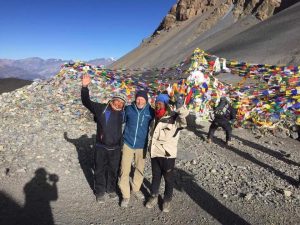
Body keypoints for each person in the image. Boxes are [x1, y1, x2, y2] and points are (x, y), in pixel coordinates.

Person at [81, 74, 126, 203]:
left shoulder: (123, 113)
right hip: (101, 147)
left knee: (113, 170)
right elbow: (86, 102)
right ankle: (100, 192)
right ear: (112, 100)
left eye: (121, 103)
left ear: (123, 105)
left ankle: (111, 189)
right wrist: (84, 86)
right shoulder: (101, 108)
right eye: (117, 101)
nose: (118, 104)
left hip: (116, 148)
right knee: (99, 169)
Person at [145, 93, 189, 213]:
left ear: (165, 104)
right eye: (157, 102)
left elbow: (184, 120)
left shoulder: (174, 118)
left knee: (168, 179)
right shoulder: (155, 117)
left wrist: (180, 107)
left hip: (168, 156)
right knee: (155, 177)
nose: (157, 105)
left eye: (160, 103)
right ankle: (153, 196)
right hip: (155, 153)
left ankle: (167, 200)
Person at [118, 90, 155, 208]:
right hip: (128, 143)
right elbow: (119, 119)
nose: (139, 101)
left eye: (142, 99)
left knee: (139, 169)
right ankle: (125, 195)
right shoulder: (129, 109)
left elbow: (159, 122)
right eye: (138, 99)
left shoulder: (151, 111)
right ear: (135, 99)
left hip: (142, 145)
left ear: (146, 100)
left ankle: (136, 188)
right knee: (124, 169)